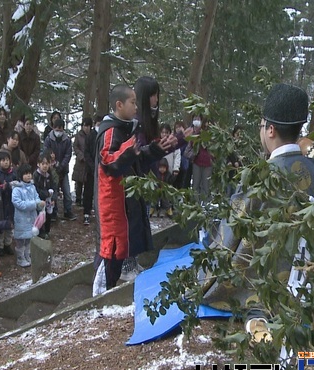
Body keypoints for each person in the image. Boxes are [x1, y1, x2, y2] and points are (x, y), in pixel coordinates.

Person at [200, 83, 314, 343]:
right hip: (304, 273)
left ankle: (257, 315)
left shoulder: (260, 176)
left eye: (261, 125)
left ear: (270, 129)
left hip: (265, 271)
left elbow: (232, 231)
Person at [93, 84, 174, 295]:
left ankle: (116, 280)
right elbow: (108, 160)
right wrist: (128, 149)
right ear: (119, 105)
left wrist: (156, 149)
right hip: (113, 201)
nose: (137, 107)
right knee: (111, 248)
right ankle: (101, 294)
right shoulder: (110, 131)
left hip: (127, 197)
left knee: (125, 241)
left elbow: (137, 158)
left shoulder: (128, 128)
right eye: (132, 102)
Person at [11, 164, 45, 267]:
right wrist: (34, 204)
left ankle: (27, 255)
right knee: (21, 240)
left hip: (31, 219)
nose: (28, 176)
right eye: (25, 174)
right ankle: (20, 257)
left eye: (29, 173)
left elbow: (36, 197)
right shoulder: (17, 189)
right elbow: (18, 204)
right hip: (21, 219)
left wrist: (40, 203)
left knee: (29, 239)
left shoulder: (32, 187)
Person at [44, 118, 76, 221]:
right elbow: (46, 151)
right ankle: (53, 212)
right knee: (54, 191)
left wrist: (61, 166)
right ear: (53, 128)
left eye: (61, 129)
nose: (59, 131)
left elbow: (68, 154)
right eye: (57, 129)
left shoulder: (67, 140)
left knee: (67, 191)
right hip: (52, 170)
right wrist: (52, 163)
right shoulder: (49, 139)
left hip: (63, 169)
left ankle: (68, 211)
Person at [187, 114, 214, 202]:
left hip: (208, 164)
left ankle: (206, 206)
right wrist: (195, 152)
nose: (206, 126)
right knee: (195, 185)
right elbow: (187, 151)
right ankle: (195, 205)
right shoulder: (195, 135)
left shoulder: (213, 136)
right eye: (205, 123)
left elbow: (216, 150)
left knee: (206, 186)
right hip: (197, 163)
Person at [32, 154, 56, 239]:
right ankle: (40, 231)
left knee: (48, 215)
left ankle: (47, 231)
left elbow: (53, 186)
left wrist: (53, 198)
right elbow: (36, 189)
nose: (45, 166)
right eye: (43, 163)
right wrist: (46, 194)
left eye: (47, 163)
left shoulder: (49, 175)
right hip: (40, 200)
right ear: (38, 164)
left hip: (48, 200)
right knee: (41, 215)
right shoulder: (36, 175)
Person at [72, 118, 90, 207]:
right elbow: (75, 147)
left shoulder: (92, 135)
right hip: (80, 162)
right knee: (78, 182)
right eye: (85, 126)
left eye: (88, 126)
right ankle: (78, 199)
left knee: (87, 182)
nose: (86, 128)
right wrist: (81, 156)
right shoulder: (78, 135)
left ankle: (86, 200)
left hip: (88, 162)